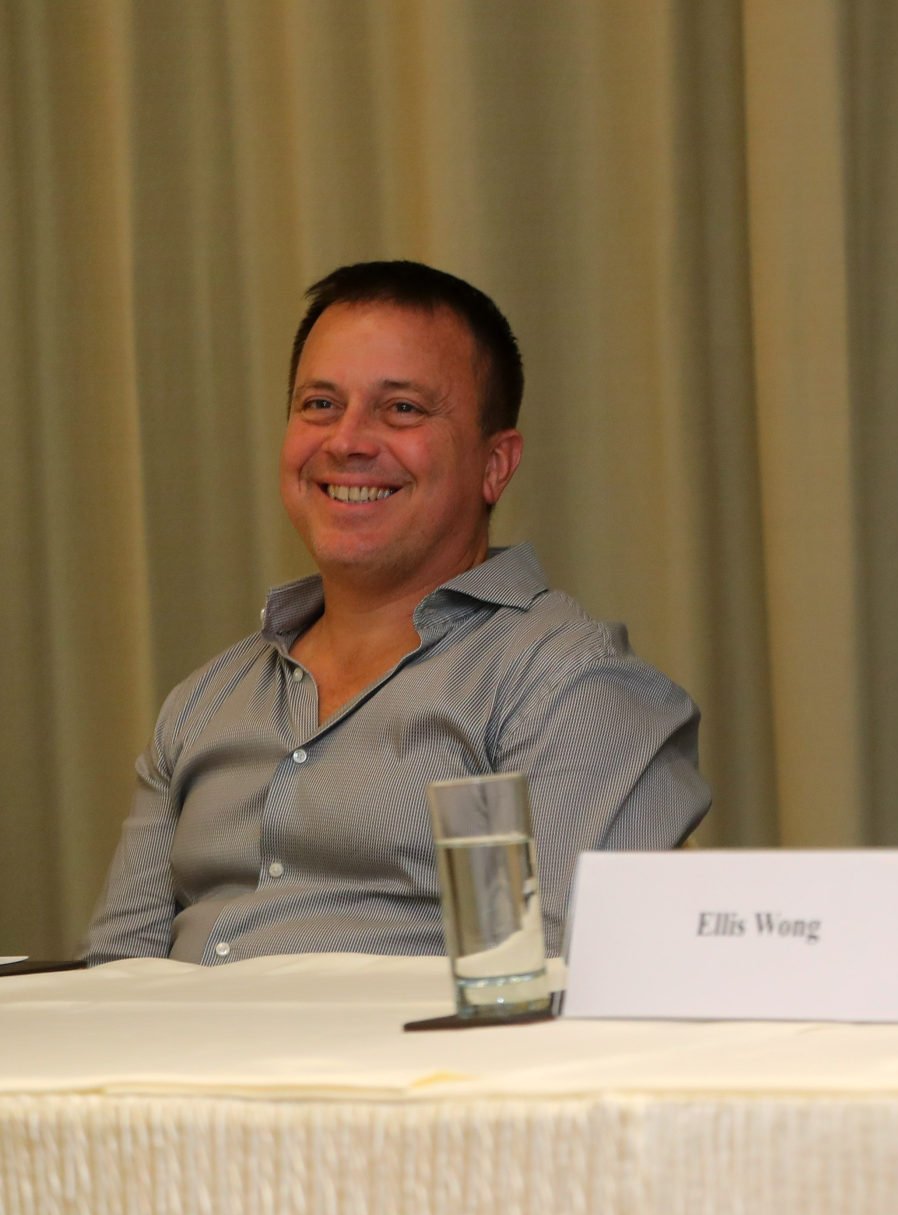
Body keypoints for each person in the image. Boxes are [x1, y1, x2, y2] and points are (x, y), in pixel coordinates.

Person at [85, 261, 709, 964]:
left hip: (409, 1071)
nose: (347, 440)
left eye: (402, 408)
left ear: (494, 466)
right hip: (170, 1068)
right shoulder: (203, 702)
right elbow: (119, 973)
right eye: (319, 404)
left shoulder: (565, 686)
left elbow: (565, 985)